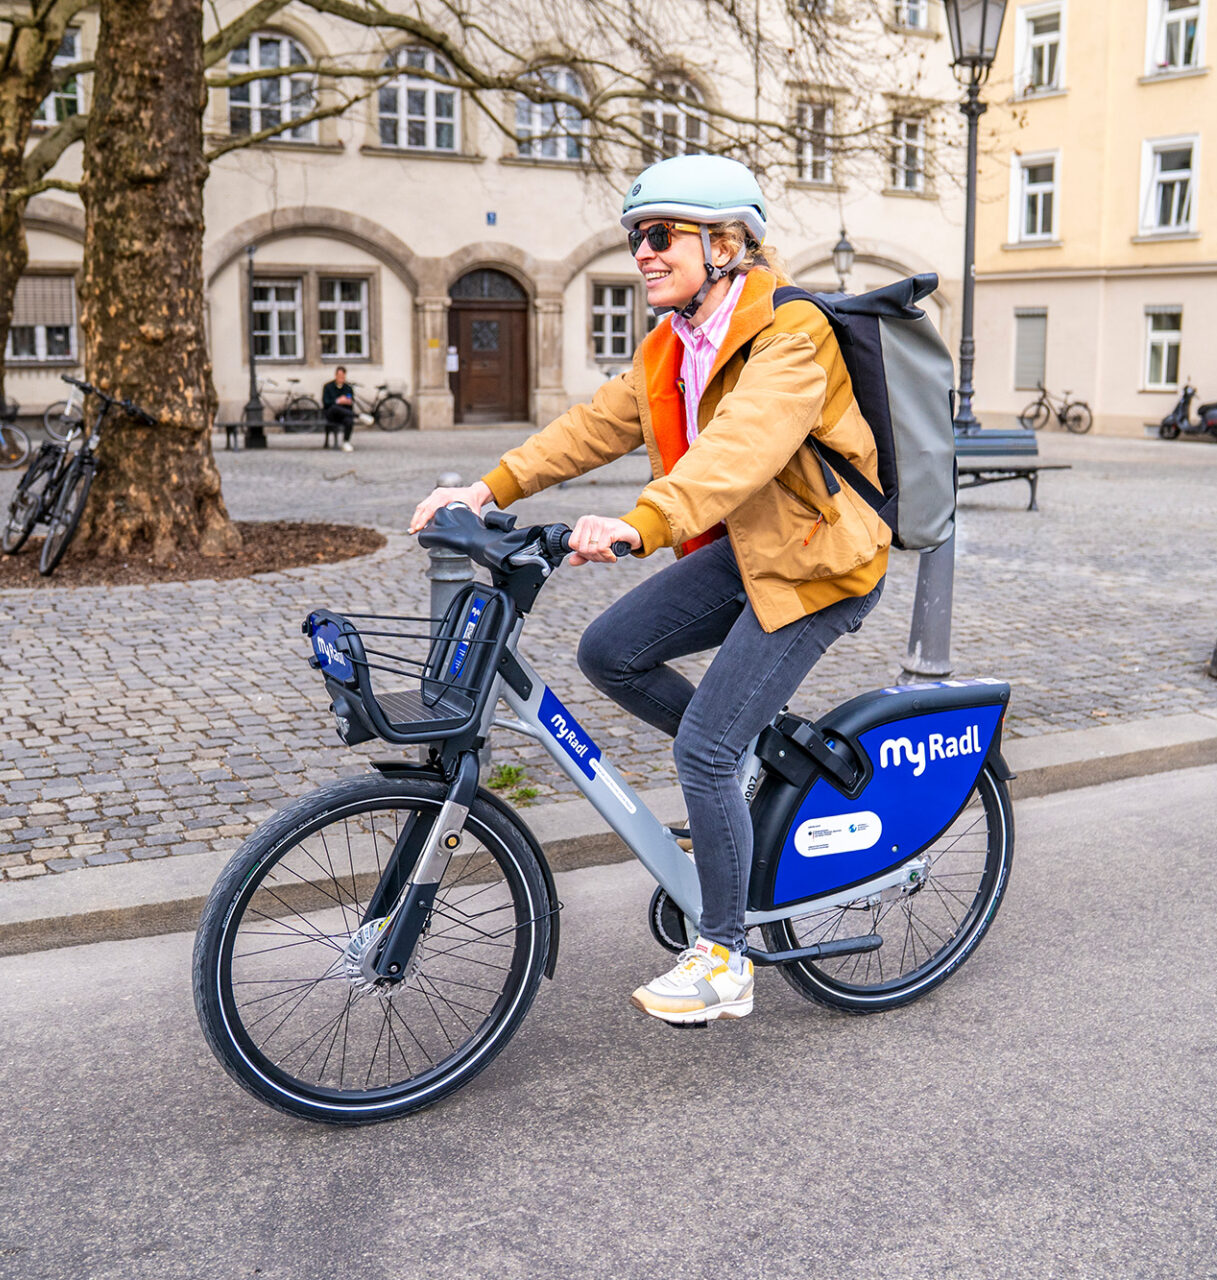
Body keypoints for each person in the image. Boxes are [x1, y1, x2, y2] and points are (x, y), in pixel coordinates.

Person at [408, 155, 891, 1026]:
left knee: (702, 748)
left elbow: (744, 445)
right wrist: (485, 491)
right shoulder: (673, 345)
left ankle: (725, 955)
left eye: (661, 236)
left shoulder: (791, 333)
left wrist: (645, 520)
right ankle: (753, 758)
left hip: (819, 561)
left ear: (727, 244)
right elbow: (593, 426)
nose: (644, 253)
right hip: (751, 549)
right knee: (610, 653)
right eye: (639, 237)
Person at [322, 366, 356, 452]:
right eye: (339, 376)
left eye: (343, 377)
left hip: (344, 414)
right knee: (335, 407)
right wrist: (338, 401)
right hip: (331, 414)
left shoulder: (348, 388)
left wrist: (348, 401)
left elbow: (351, 403)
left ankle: (346, 442)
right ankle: (358, 416)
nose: (341, 378)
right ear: (336, 375)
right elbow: (326, 402)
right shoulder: (328, 387)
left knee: (349, 420)